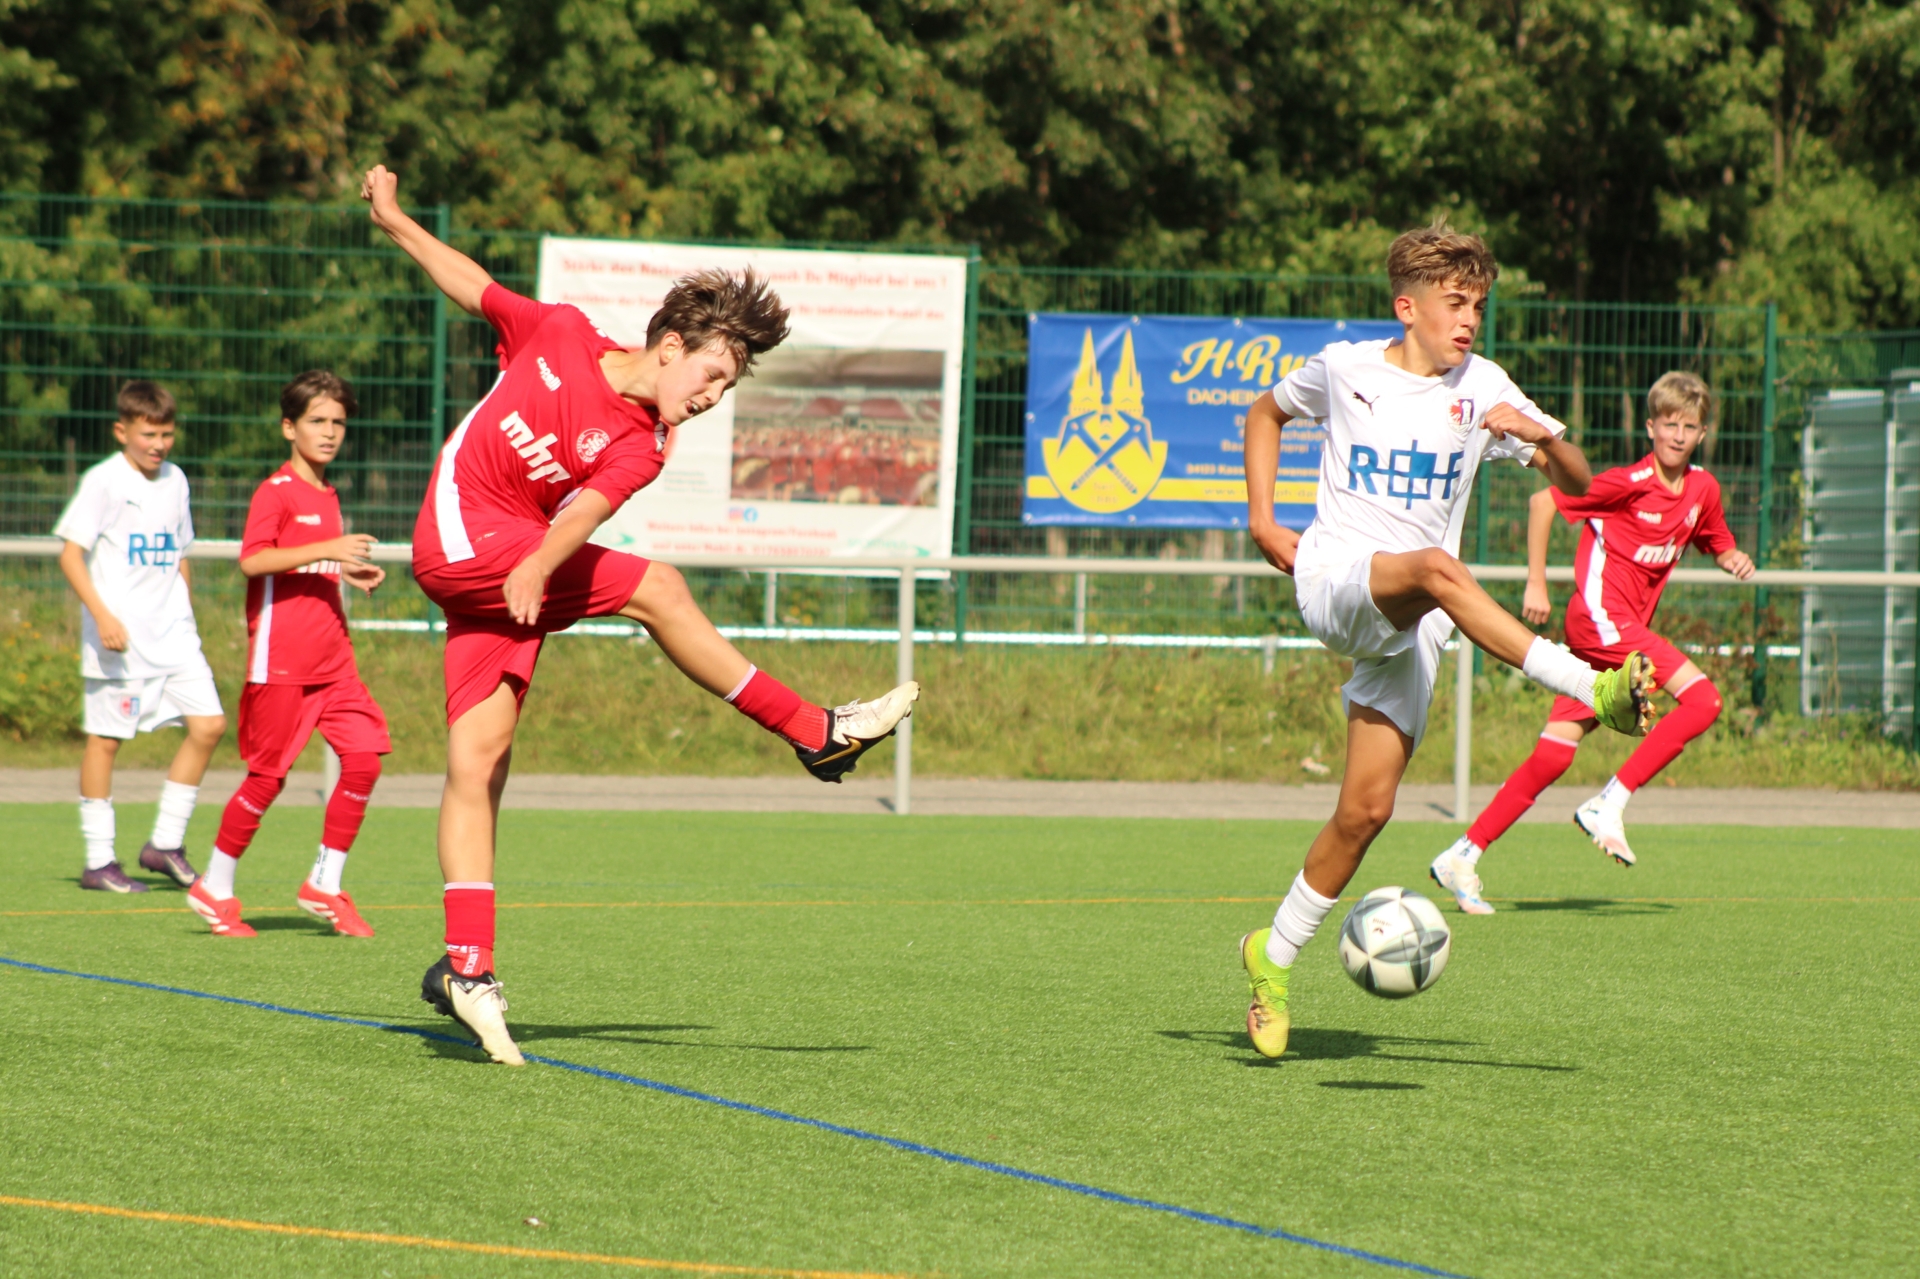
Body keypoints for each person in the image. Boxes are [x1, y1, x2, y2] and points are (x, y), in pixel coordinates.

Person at [361, 164, 918, 1066]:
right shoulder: (562, 334)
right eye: (710, 374)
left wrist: (540, 561)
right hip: (465, 541)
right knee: (658, 586)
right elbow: (474, 286)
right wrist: (394, 221)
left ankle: (466, 967)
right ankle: (814, 730)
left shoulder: (642, 445)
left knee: (479, 763)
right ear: (669, 345)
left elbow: (585, 510)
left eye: (727, 389)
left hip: (513, 572)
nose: (711, 397)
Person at [1236, 222, 1655, 1060]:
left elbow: (1580, 485)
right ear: (1408, 306)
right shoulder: (1347, 368)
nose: (1469, 321)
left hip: (1413, 621)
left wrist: (1540, 436)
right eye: (1455, 304)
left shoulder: (1487, 385)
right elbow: (1264, 412)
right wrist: (1260, 519)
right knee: (1436, 565)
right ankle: (1589, 687)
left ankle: (1270, 958)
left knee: (1366, 812)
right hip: (1338, 577)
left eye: (1479, 306)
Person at [1428, 372, 1754, 912]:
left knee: (1553, 755)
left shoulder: (1703, 490)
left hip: (1610, 640)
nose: (1677, 435)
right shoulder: (1628, 482)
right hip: (1601, 622)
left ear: (1701, 434)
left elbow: (1715, 540)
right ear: (1650, 427)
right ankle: (1610, 802)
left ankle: (1463, 853)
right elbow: (1543, 505)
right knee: (1703, 701)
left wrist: (1730, 557)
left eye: (1689, 426)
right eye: (1668, 424)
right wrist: (1536, 580)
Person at [186, 371, 393, 938]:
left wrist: (345, 570)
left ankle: (325, 882)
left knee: (366, 757)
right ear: (288, 427)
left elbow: (302, 563)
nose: (329, 433)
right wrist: (329, 549)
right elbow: (255, 561)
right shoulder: (275, 492)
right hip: (281, 663)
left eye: (338, 423)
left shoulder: (328, 494)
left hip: (334, 662)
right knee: (266, 779)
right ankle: (215, 885)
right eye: (317, 422)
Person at [53, 380, 226, 893]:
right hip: (121, 640)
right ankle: (98, 861)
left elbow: (180, 551)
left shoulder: (176, 479)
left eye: (167, 434)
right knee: (106, 741)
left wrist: (186, 610)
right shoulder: (103, 482)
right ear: (122, 430)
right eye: (149, 433)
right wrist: (103, 616)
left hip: (174, 635)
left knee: (210, 725)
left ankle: (165, 844)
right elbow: (70, 554)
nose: (159, 444)